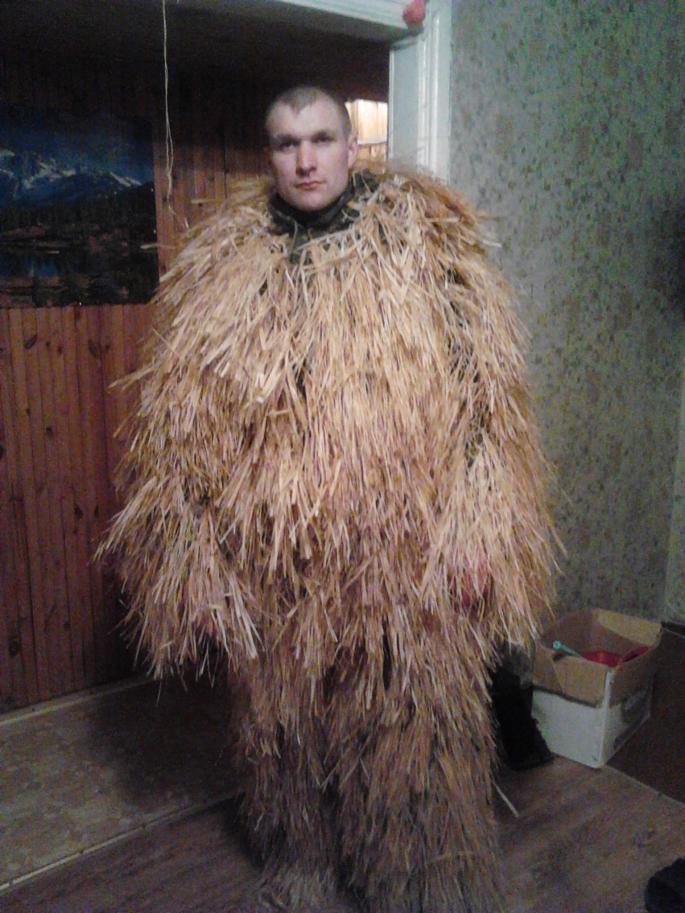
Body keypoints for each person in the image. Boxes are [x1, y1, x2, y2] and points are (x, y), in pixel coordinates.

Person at [102, 85, 554, 913]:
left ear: (352, 147)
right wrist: (194, 562)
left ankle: (421, 883)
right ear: (269, 156)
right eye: (285, 143)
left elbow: (491, 403)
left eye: (319, 139)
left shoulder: (429, 244)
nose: (304, 160)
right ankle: (301, 864)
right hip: (273, 560)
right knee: (284, 735)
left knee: (413, 731)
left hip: (404, 557)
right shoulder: (220, 269)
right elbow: (173, 432)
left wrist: (479, 529)